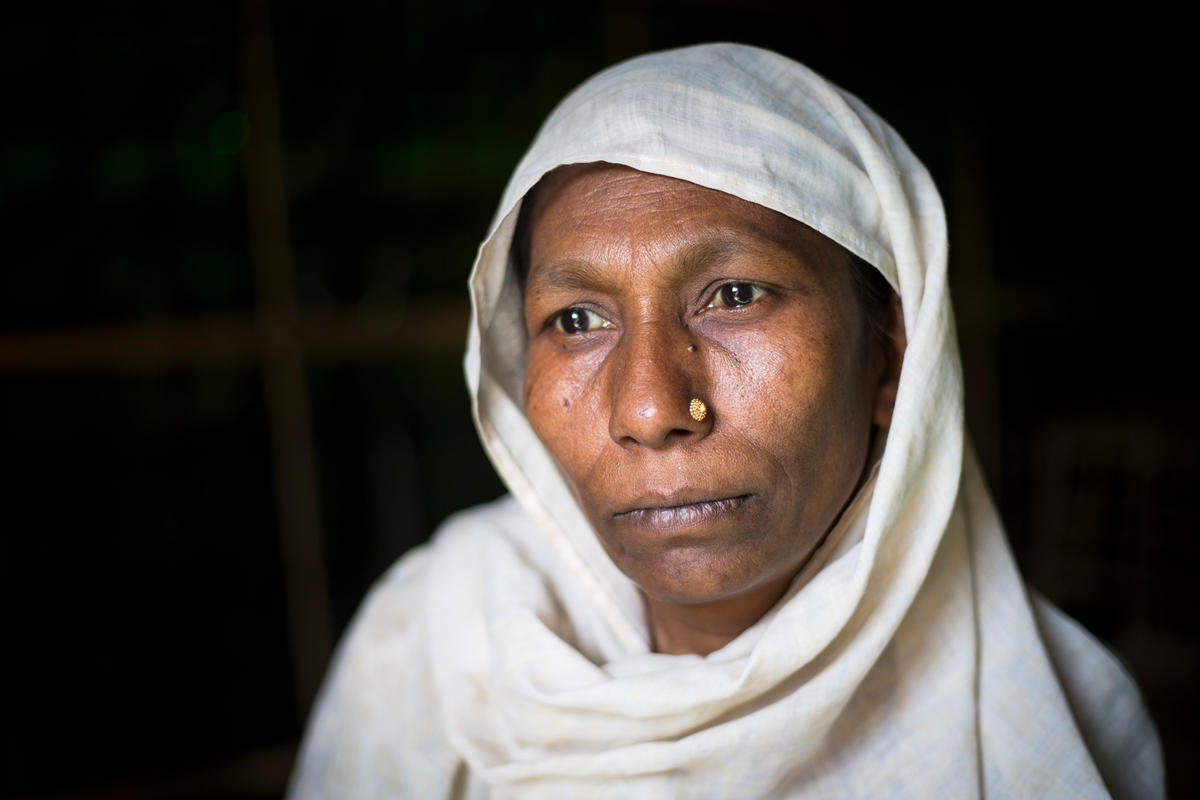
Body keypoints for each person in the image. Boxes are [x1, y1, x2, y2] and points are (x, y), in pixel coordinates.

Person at [288, 43, 1164, 798]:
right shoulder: (432, 637)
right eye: (577, 320)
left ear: (893, 358)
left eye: (736, 295)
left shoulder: (1045, 719)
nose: (649, 409)